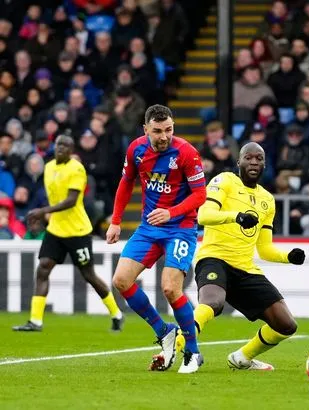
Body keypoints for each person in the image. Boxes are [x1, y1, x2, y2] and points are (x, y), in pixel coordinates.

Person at [173, 142, 306, 371]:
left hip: (245, 268)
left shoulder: (267, 200)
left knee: (286, 325)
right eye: (249, 157)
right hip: (214, 258)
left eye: (259, 158)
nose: (254, 162)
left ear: (264, 164)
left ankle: (242, 357)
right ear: (239, 162)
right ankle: (176, 347)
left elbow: (265, 250)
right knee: (213, 303)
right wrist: (237, 216)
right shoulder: (224, 180)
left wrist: (288, 257)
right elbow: (204, 215)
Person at [106, 105, 207, 373]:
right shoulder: (136, 150)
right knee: (121, 280)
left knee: (171, 289)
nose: (164, 136)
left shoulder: (186, 152)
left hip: (181, 227)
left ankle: (193, 352)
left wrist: (171, 212)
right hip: (149, 227)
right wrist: (116, 221)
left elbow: (200, 195)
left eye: (169, 130)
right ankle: (164, 331)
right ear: (146, 129)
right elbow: (126, 183)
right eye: (158, 131)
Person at [13, 135, 123, 332]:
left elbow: (71, 201)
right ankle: (35, 321)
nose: (61, 148)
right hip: (56, 229)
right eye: (58, 145)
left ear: (72, 150)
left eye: (66, 146)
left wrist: (42, 211)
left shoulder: (77, 169)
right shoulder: (48, 167)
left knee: (88, 275)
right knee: (43, 268)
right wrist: (46, 216)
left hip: (77, 231)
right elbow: (54, 197)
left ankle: (116, 314)